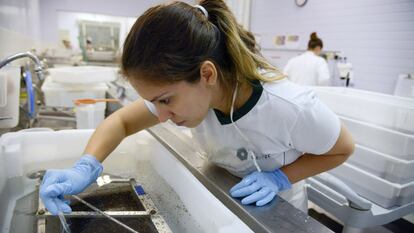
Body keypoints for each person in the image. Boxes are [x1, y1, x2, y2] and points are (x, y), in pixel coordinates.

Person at [40, 0, 354, 215]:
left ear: (207, 74)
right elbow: (121, 122)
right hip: (227, 201)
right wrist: (85, 167)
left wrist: (280, 178)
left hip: (277, 216)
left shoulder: (289, 108)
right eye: (154, 103)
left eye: (165, 100)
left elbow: (342, 149)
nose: (160, 115)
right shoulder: (189, 94)